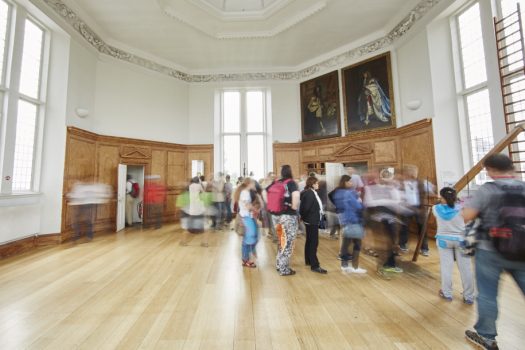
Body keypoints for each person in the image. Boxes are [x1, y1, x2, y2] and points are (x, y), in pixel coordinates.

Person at [462, 154, 525, 350]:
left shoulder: (487, 189)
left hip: (490, 249)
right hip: (523, 248)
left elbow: (467, 216)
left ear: (490, 170)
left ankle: (487, 337)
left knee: (488, 294)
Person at [433, 187, 474, 303]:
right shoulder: (462, 208)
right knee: (466, 268)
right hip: (461, 240)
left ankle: (447, 293)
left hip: (443, 240)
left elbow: (438, 205)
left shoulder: (435, 208)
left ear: (442, 197)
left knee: (446, 267)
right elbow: (467, 221)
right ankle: (469, 297)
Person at [332, 175, 367, 274]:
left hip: (345, 219)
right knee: (357, 243)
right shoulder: (349, 193)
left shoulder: (338, 192)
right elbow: (357, 206)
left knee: (345, 243)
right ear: (345, 182)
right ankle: (355, 267)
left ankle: (344, 265)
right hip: (353, 219)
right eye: (350, 182)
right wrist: (360, 202)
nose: (351, 183)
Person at [398, 165, 434, 256]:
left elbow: (431, 190)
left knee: (423, 228)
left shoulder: (422, 182)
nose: (412, 174)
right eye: (410, 172)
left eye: (414, 172)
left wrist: (431, 193)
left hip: (420, 208)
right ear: (406, 173)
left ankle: (424, 248)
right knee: (404, 227)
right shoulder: (401, 183)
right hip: (406, 208)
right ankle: (402, 244)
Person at [273, 164, 300, 276]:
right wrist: (294, 206)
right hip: (289, 217)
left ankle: (279, 265)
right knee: (288, 243)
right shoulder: (291, 183)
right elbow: (295, 198)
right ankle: (284, 269)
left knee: (281, 241)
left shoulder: (278, 183)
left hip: (278, 217)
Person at [299, 176, 327, 274]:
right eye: (317, 183)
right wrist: (305, 218)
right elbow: (305, 208)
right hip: (311, 221)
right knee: (314, 243)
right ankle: (315, 265)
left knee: (310, 241)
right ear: (312, 183)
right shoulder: (310, 194)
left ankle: (309, 260)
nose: (318, 184)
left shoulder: (311, 192)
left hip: (311, 220)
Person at [234, 178, 259, 268]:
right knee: (248, 239)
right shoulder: (245, 192)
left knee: (249, 238)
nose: (254, 184)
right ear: (249, 183)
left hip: (247, 217)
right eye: (253, 183)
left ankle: (246, 258)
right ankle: (246, 259)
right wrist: (255, 209)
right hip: (246, 217)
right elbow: (247, 205)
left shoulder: (246, 192)